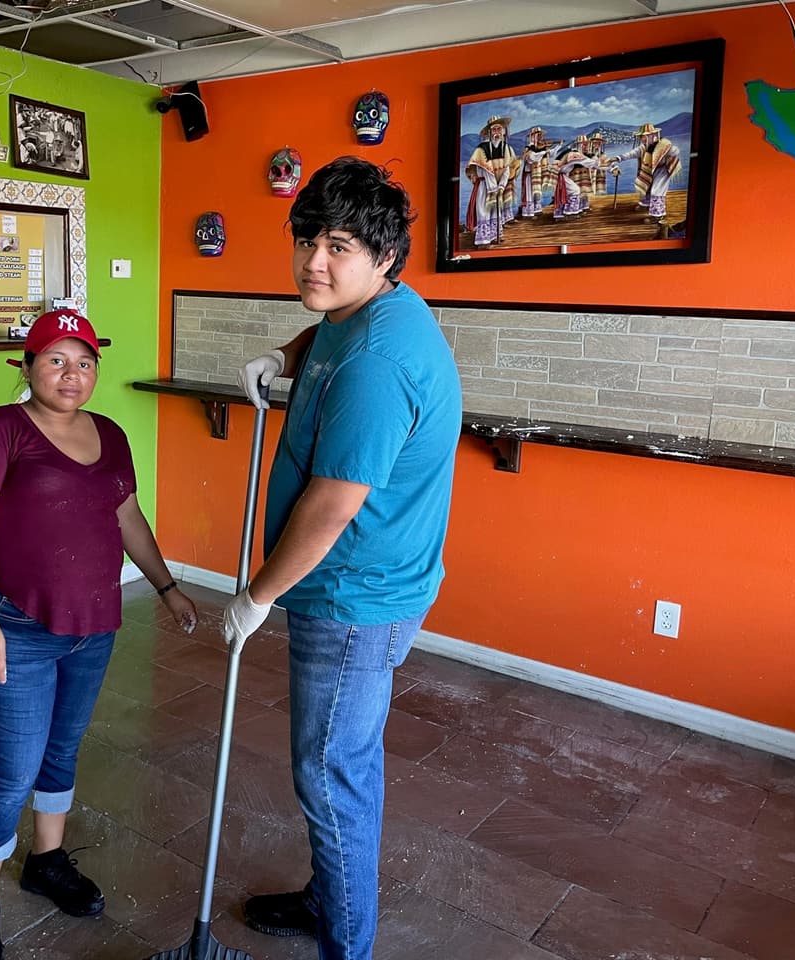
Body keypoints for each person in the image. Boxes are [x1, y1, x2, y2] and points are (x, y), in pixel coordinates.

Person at [225, 157, 462, 960]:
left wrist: (256, 596)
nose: (313, 263)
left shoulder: (378, 365)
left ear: (385, 256)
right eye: (304, 241)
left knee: (331, 776)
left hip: (352, 596)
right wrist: (284, 358)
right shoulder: (361, 312)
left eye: (336, 247)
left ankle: (346, 944)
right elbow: (329, 324)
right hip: (364, 583)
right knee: (340, 765)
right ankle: (329, 897)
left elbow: (330, 509)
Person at [0, 308, 198, 960]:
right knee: (11, 770)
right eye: (56, 359)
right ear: (26, 367)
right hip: (18, 631)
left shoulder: (111, 434)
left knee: (62, 752)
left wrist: (167, 587)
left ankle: (47, 861)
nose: (72, 373)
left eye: (84, 361)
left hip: (94, 628)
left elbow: (127, 517)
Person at [608, 121, 682, 221]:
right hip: (650, 170)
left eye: (644, 136)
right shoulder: (644, 147)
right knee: (646, 186)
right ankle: (645, 205)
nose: (642, 139)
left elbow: (675, 151)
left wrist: (669, 150)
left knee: (657, 191)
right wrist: (618, 158)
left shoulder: (663, 144)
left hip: (663, 170)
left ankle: (657, 215)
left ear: (652, 135)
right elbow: (631, 153)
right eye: (641, 136)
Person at [464, 115, 517, 246]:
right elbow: (486, 171)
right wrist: (494, 187)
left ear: (504, 131)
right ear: (489, 132)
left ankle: (494, 235)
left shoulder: (506, 149)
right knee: (484, 211)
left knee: (495, 211)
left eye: (499, 129)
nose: (497, 133)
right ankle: (483, 241)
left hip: (497, 186)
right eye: (494, 130)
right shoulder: (481, 149)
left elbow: (506, 170)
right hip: (484, 186)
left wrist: (501, 187)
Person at [517, 126, 553, 218]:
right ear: (532, 136)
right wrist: (543, 152)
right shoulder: (529, 147)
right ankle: (528, 213)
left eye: (540, 135)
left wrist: (546, 151)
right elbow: (532, 158)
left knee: (537, 191)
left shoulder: (539, 147)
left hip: (537, 173)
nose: (540, 137)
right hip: (529, 174)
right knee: (529, 192)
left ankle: (537, 210)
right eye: (538, 135)